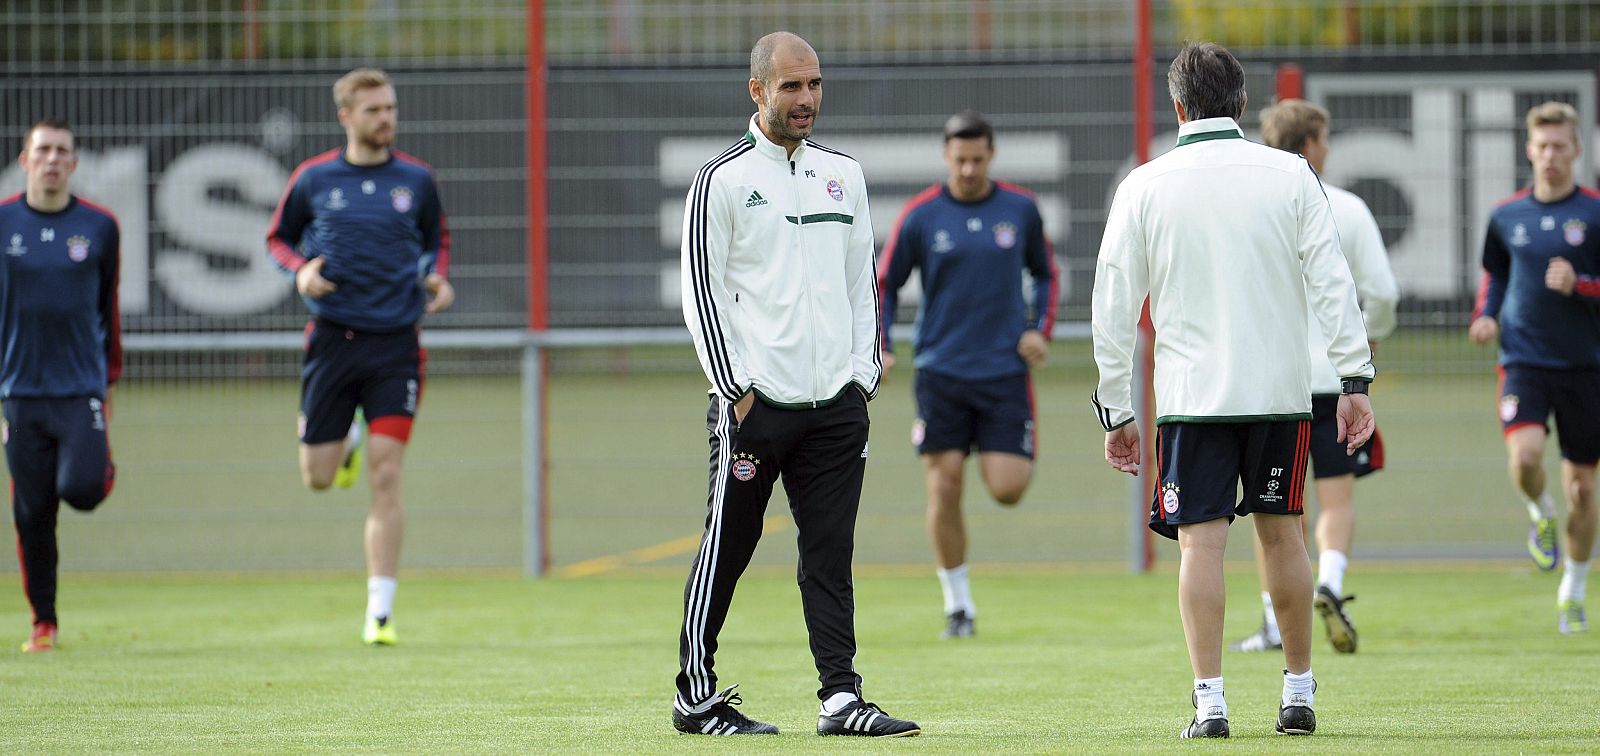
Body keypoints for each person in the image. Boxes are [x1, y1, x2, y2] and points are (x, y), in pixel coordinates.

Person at [1091, 42, 1376, 739]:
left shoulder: (1145, 184)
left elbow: (1113, 301)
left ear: (1178, 105)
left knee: (1201, 548)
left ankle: (1211, 703)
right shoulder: (1289, 174)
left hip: (1192, 400)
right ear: (1243, 103)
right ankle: (1299, 694)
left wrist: (1116, 408)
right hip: (1279, 391)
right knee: (1284, 538)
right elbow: (1334, 282)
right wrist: (1353, 378)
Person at [672, 31, 919, 738]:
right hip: (755, 406)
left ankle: (840, 698)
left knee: (830, 553)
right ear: (757, 91)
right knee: (730, 546)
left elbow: (860, 281)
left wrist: (862, 376)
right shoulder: (720, 179)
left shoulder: (845, 173)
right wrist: (735, 387)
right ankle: (696, 694)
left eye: (814, 84)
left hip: (835, 407)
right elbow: (702, 292)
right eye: (791, 86)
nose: (806, 98)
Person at [266, 68, 455, 647]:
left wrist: (437, 278)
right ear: (346, 116)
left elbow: (436, 240)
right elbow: (278, 239)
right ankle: (341, 441)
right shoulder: (315, 178)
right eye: (373, 110)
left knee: (387, 472)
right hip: (331, 342)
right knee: (318, 478)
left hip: (397, 344)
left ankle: (379, 611)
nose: (386, 119)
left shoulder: (416, 180)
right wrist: (302, 273)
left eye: (391, 108)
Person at [877, 109, 1058, 640]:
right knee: (945, 486)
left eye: (978, 159)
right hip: (941, 373)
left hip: (1004, 372)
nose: (970, 169)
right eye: (961, 160)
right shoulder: (921, 215)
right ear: (946, 157)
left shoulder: (1020, 210)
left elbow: (1045, 274)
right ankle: (958, 606)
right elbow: (885, 284)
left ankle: (998, 452)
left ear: (991, 156)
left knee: (1007, 488)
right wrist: (882, 345)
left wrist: (1037, 330)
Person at [1231, 99, 1400, 655]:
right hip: (1334, 381)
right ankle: (1328, 581)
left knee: (1273, 509)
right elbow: (1383, 293)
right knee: (1337, 499)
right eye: (1325, 139)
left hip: (1272, 381)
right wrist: (1368, 338)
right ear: (1310, 144)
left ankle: (1273, 621)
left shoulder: (1248, 207)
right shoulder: (1346, 207)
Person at [1469, 100, 1599, 634]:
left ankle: (1573, 586)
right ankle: (1540, 513)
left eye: (1560, 147)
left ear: (1576, 150)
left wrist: (1584, 286)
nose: (1550, 156)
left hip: (1586, 366)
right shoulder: (1506, 216)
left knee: (1584, 491)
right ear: (1529, 150)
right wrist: (1485, 316)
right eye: (1542, 146)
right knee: (1524, 460)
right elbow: (1494, 275)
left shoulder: (1594, 213)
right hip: (1523, 359)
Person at [0, 119, 121, 653]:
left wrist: (109, 377)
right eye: (42, 150)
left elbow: (107, 310)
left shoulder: (99, 227)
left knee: (83, 489)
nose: (52, 159)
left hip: (80, 388)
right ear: (25, 160)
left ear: (73, 164)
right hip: (20, 391)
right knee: (33, 512)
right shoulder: (2, 222)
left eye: (62, 151)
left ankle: (102, 470)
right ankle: (43, 623)